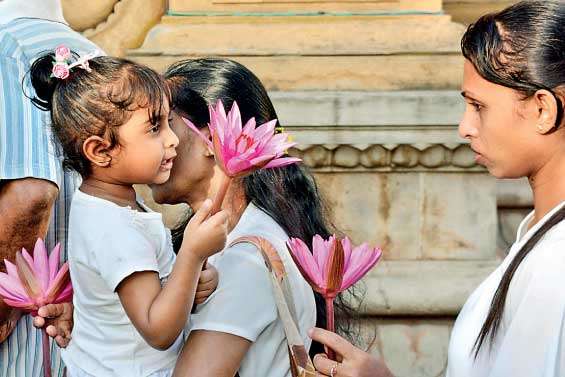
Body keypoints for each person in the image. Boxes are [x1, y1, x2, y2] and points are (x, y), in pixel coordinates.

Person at [311, 1, 565, 376]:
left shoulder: (555, 263)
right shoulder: (538, 233)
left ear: (543, 109)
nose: (465, 127)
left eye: (479, 106)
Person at [147, 58, 356, 376]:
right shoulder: (237, 240)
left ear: (212, 140)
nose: (152, 145)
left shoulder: (244, 259)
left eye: (163, 124)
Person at [28, 50, 228, 376]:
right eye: (154, 128)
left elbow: (138, 302)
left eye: (168, 123)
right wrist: (192, 255)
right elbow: (158, 330)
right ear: (100, 151)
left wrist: (187, 285)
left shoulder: (110, 204)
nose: (172, 139)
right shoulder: (115, 229)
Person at [0, 2, 100, 375]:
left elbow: (31, 197)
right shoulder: (90, 52)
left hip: (28, 339)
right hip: (70, 336)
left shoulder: (8, 47)